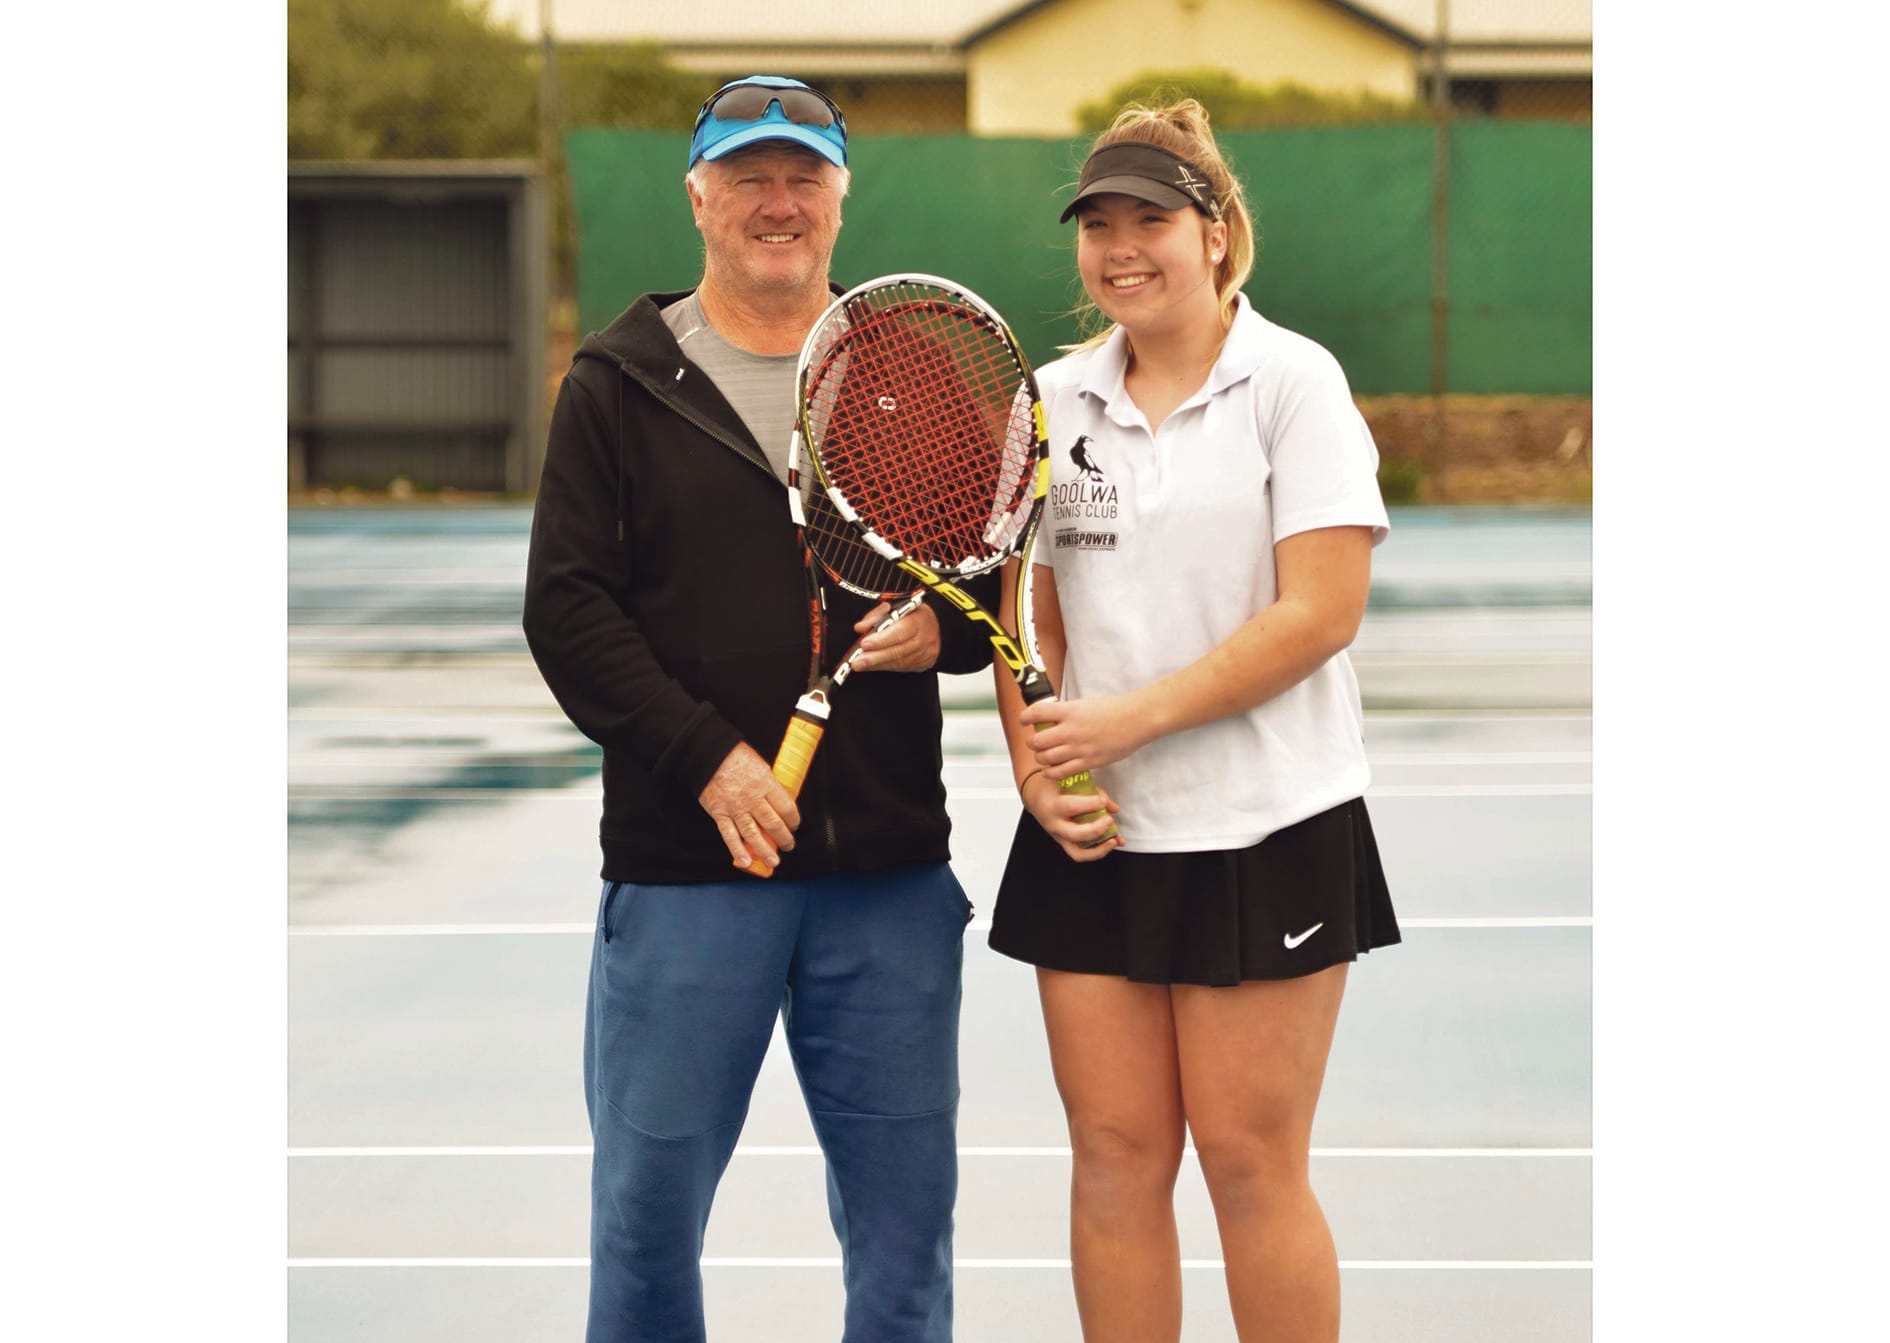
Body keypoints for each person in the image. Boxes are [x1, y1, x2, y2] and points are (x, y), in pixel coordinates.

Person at [523, 76, 992, 1343]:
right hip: (688, 871)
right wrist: (711, 762)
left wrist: (938, 630)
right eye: (746, 177)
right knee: (644, 1228)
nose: (774, 203)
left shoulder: (914, 371)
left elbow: (990, 581)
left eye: (801, 177)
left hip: (886, 877)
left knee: (905, 1241)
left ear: (842, 195)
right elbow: (568, 613)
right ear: (700, 198)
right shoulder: (619, 384)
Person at [986, 99, 1401, 1343]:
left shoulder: (1294, 383)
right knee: (1113, 1154)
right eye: (1098, 223)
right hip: (1099, 838)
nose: (1122, 247)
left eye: (1151, 219)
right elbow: (1026, 614)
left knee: (1247, 1160)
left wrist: (1128, 721)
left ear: (1215, 234)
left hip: (1270, 824)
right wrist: (1032, 759)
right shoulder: (1048, 400)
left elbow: (1320, 611)